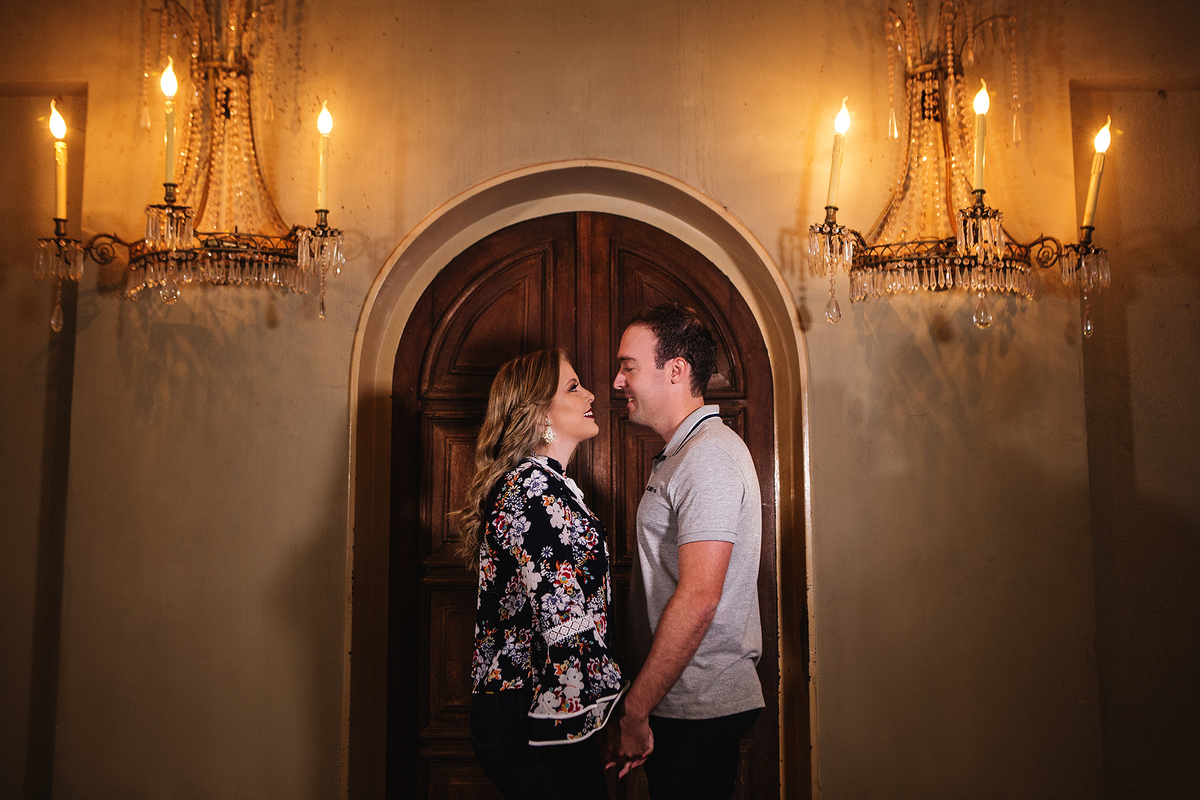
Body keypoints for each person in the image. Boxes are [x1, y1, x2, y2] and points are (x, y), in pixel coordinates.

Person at [604, 303, 765, 799]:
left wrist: (636, 709)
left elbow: (699, 599)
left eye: (629, 367)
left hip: (699, 705)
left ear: (676, 370)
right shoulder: (684, 453)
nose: (617, 381)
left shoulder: (708, 455)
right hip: (680, 702)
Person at [454, 348, 625, 800]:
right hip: (526, 707)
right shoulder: (531, 488)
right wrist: (623, 710)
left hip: (544, 700)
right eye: (573, 387)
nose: (591, 394)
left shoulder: (548, 484)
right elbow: (562, 612)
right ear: (539, 414)